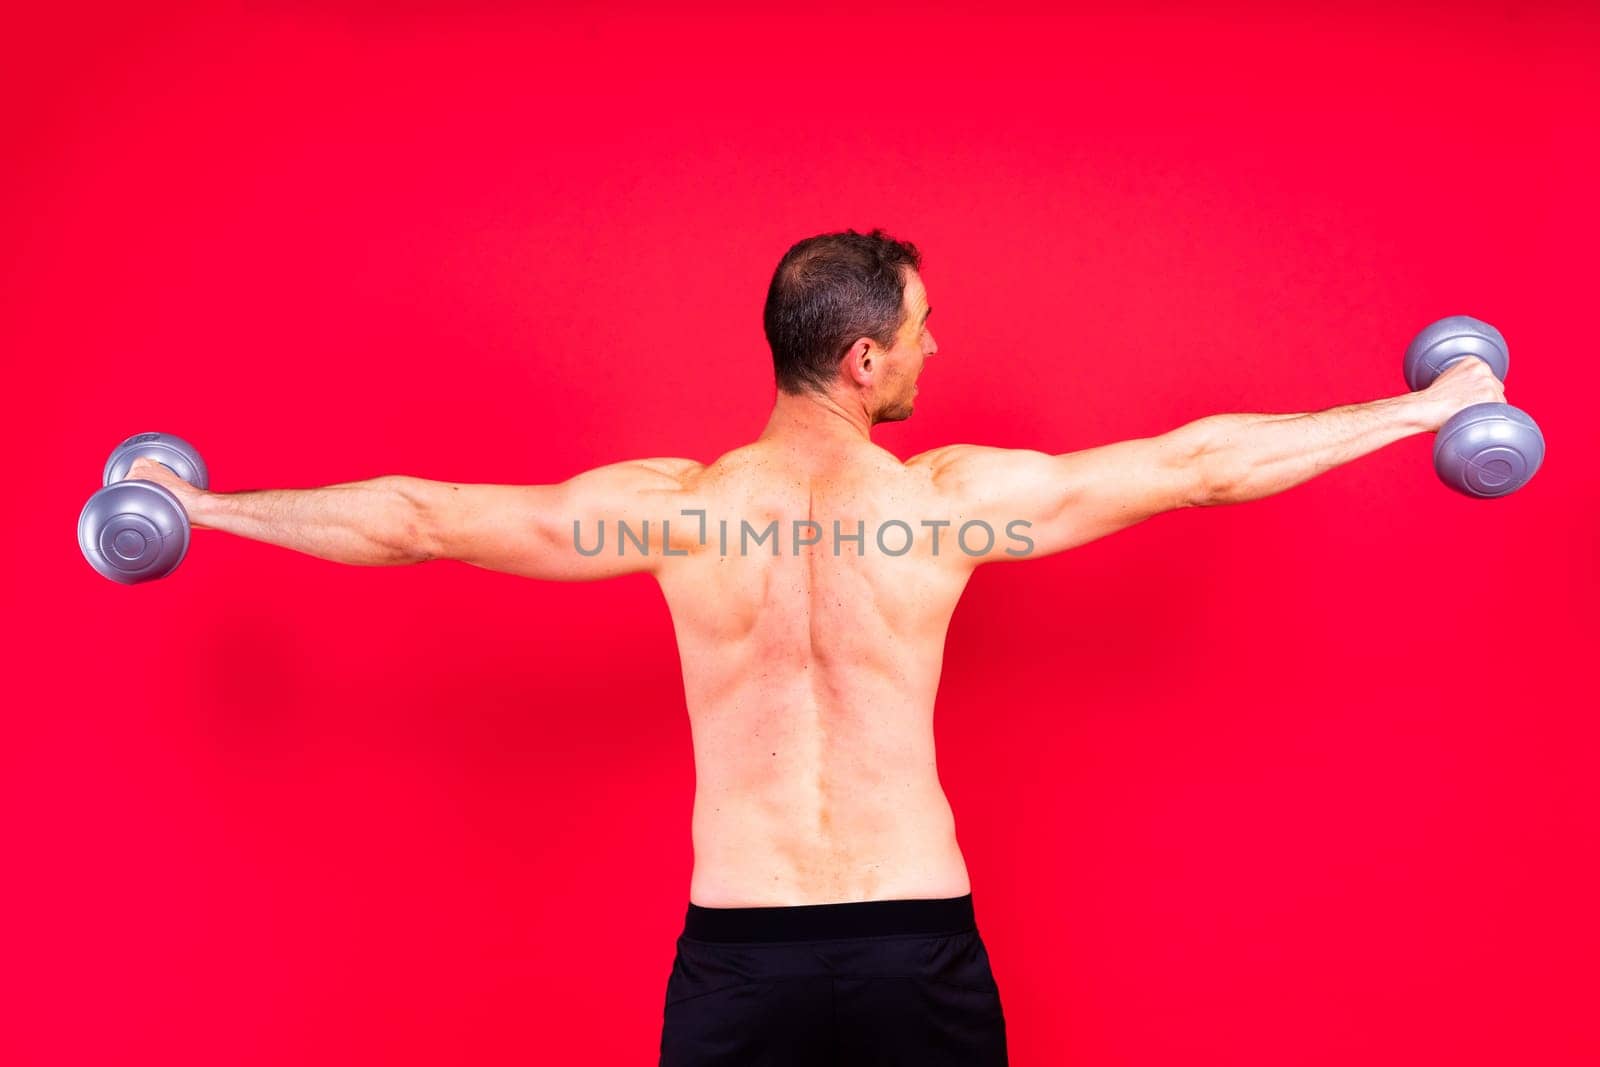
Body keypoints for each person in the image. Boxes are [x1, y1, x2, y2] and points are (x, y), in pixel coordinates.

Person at [128, 228, 1506, 1065]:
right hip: (917, 948)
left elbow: (421, 521)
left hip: (741, 959)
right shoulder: (948, 510)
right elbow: (1200, 467)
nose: (935, 348)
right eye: (919, 332)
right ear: (862, 363)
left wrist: (190, 507)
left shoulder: (669, 519)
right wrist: (1432, 407)